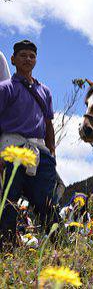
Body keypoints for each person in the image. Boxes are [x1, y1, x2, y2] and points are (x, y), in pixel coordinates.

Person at [0, 40, 60, 249]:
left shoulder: (44, 91)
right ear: (13, 59)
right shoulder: (5, 88)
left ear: (36, 60)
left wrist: (52, 153)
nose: (27, 59)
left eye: (31, 56)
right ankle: (6, 251)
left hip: (39, 152)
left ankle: (61, 248)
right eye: (23, 55)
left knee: (47, 203)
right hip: (11, 148)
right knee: (8, 201)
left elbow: (48, 123)